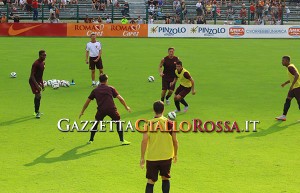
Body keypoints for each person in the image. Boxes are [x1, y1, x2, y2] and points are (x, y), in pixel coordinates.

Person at [79, 74, 131, 145]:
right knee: (118, 122)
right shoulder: (111, 88)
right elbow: (120, 99)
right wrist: (126, 106)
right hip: (111, 109)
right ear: (106, 80)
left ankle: (90, 140)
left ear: (100, 81)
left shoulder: (95, 90)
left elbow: (87, 102)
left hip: (101, 110)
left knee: (96, 122)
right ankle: (122, 141)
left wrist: (82, 111)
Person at [140, 100, 178, 193]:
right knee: (165, 178)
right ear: (163, 109)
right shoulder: (171, 124)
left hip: (152, 157)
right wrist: (175, 154)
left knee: (150, 181)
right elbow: (175, 141)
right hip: (166, 156)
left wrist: (142, 157)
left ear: (153, 110)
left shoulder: (148, 124)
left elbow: (144, 141)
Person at [276, 56, 300, 121]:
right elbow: (292, 78)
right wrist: (285, 83)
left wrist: (292, 85)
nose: (282, 62)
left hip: (297, 88)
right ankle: (283, 116)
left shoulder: (290, 67)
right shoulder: (290, 67)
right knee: (288, 100)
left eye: (283, 61)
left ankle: (284, 115)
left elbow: (297, 75)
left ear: (287, 61)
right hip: (294, 88)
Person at [29, 50, 46, 119]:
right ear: (39, 55)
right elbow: (32, 76)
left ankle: (37, 110)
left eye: (45, 55)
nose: (44, 56)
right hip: (33, 81)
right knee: (38, 95)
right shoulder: (36, 64)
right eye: (43, 55)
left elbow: (40, 75)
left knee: (39, 96)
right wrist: (37, 85)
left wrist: (42, 84)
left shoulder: (43, 63)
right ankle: (36, 112)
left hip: (38, 81)